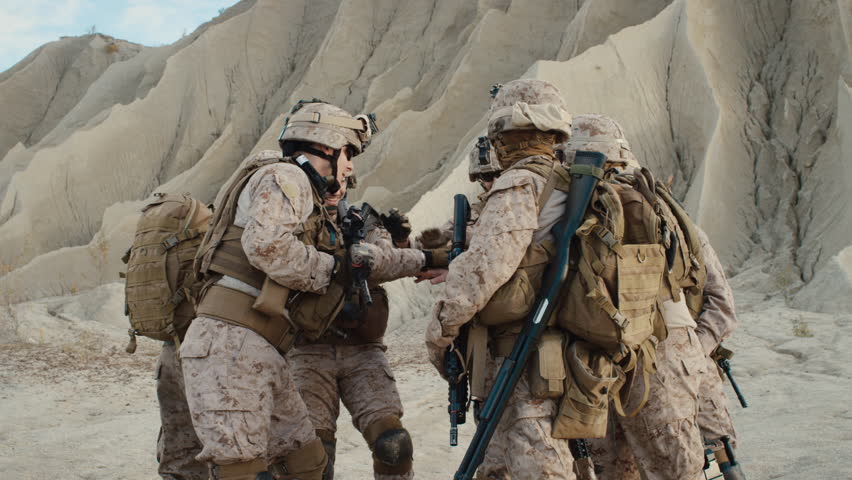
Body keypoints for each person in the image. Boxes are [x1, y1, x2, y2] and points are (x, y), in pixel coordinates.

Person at [180, 100, 386, 480]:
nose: (351, 165)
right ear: (327, 146)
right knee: (241, 471)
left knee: (306, 464)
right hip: (231, 348)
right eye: (348, 154)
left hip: (262, 349)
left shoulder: (297, 186)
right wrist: (332, 268)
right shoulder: (286, 177)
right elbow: (266, 246)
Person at [425, 78, 578, 479]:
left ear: (505, 130)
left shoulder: (521, 182)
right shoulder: (569, 179)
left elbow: (483, 270)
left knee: (538, 464)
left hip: (525, 355)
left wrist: (439, 332)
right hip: (565, 350)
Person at [561, 114, 716, 480]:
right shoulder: (661, 209)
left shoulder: (587, 212)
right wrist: (691, 355)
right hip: (646, 362)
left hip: (620, 362)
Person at [289, 176, 448, 480]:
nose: (334, 189)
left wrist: (402, 245)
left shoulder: (364, 222)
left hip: (364, 351)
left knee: (393, 445)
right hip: (308, 351)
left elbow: (386, 260)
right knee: (311, 458)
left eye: (339, 183)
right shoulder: (292, 224)